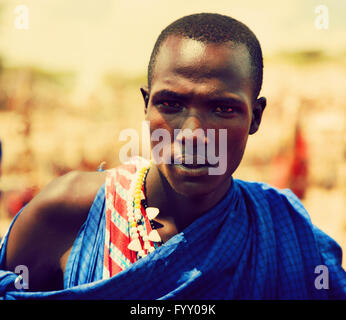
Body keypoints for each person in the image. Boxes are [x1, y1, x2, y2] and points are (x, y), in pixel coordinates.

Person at [0, 13, 345, 299]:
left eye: (223, 108)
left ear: (255, 117)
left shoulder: (287, 235)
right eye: (170, 104)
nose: (193, 133)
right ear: (146, 105)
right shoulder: (66, 214)